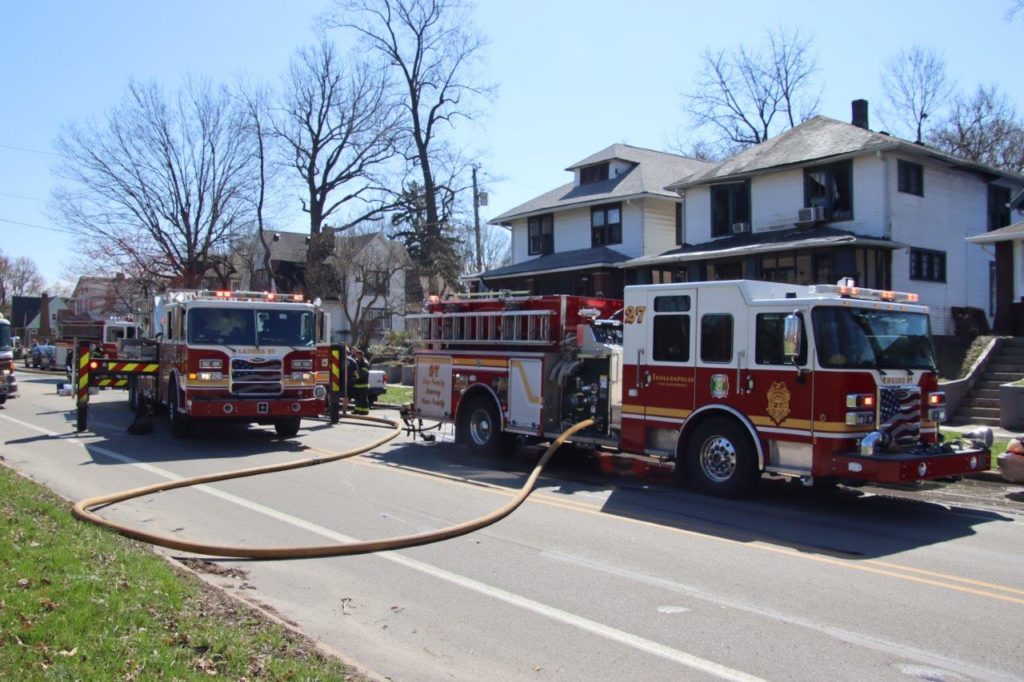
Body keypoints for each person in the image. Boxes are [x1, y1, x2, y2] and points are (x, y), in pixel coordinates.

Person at [352, 348, 370, 415]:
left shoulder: (365, 363)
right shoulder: (357, 362)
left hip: (363, 385)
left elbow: (362, 374)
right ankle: (357, 410)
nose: (357, 357)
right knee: (357, 399)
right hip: (357, 384)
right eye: (356, 355)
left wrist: (355, 374)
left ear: (362, 355)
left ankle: (364, 411)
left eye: (358, 355)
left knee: (363, 399)